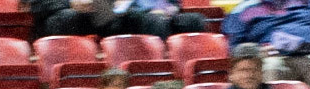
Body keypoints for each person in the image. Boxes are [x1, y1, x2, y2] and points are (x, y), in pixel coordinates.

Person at [222, 0, 310, 85]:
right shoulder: (243, 10)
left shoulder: (306, 3)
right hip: (275, 57)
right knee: (271, 67)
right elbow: (235, 46)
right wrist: (258, 51)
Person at [29, 0, 205, 39]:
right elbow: (36, 6)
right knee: (71, 16)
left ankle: (162, 65)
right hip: (60, 18)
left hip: (103, 13)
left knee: (149, 20)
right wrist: (70, 2)